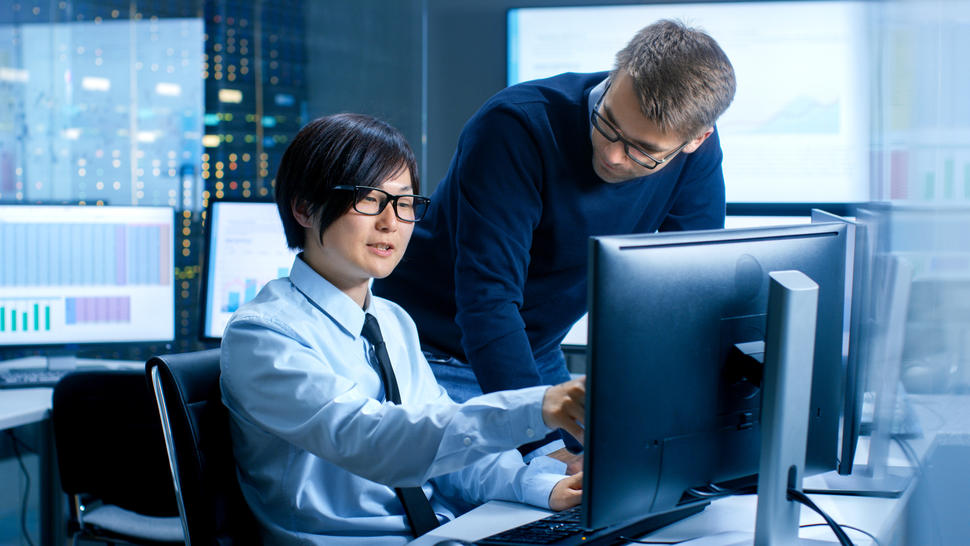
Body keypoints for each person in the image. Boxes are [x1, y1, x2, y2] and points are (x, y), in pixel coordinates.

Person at [373, 19, 736, 461]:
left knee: (603, 484)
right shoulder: (515, 127)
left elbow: (689, 297)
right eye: (607, 122)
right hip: (431, 352)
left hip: (535, 352)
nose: (612, 154)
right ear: (614, 74)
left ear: (696, 140)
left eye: (642, 151)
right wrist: (540, 445)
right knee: (517, 495)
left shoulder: (693, 158)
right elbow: (487, 301)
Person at [219, 113, 585, 545]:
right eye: (369, 199)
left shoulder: (392, 321)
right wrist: (535, 406)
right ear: (304, 208)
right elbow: (376, 441)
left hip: (440, 533)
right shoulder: (264, 336)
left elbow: (450, 456)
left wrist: (542, 486)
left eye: (405, 202)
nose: (391, 222)